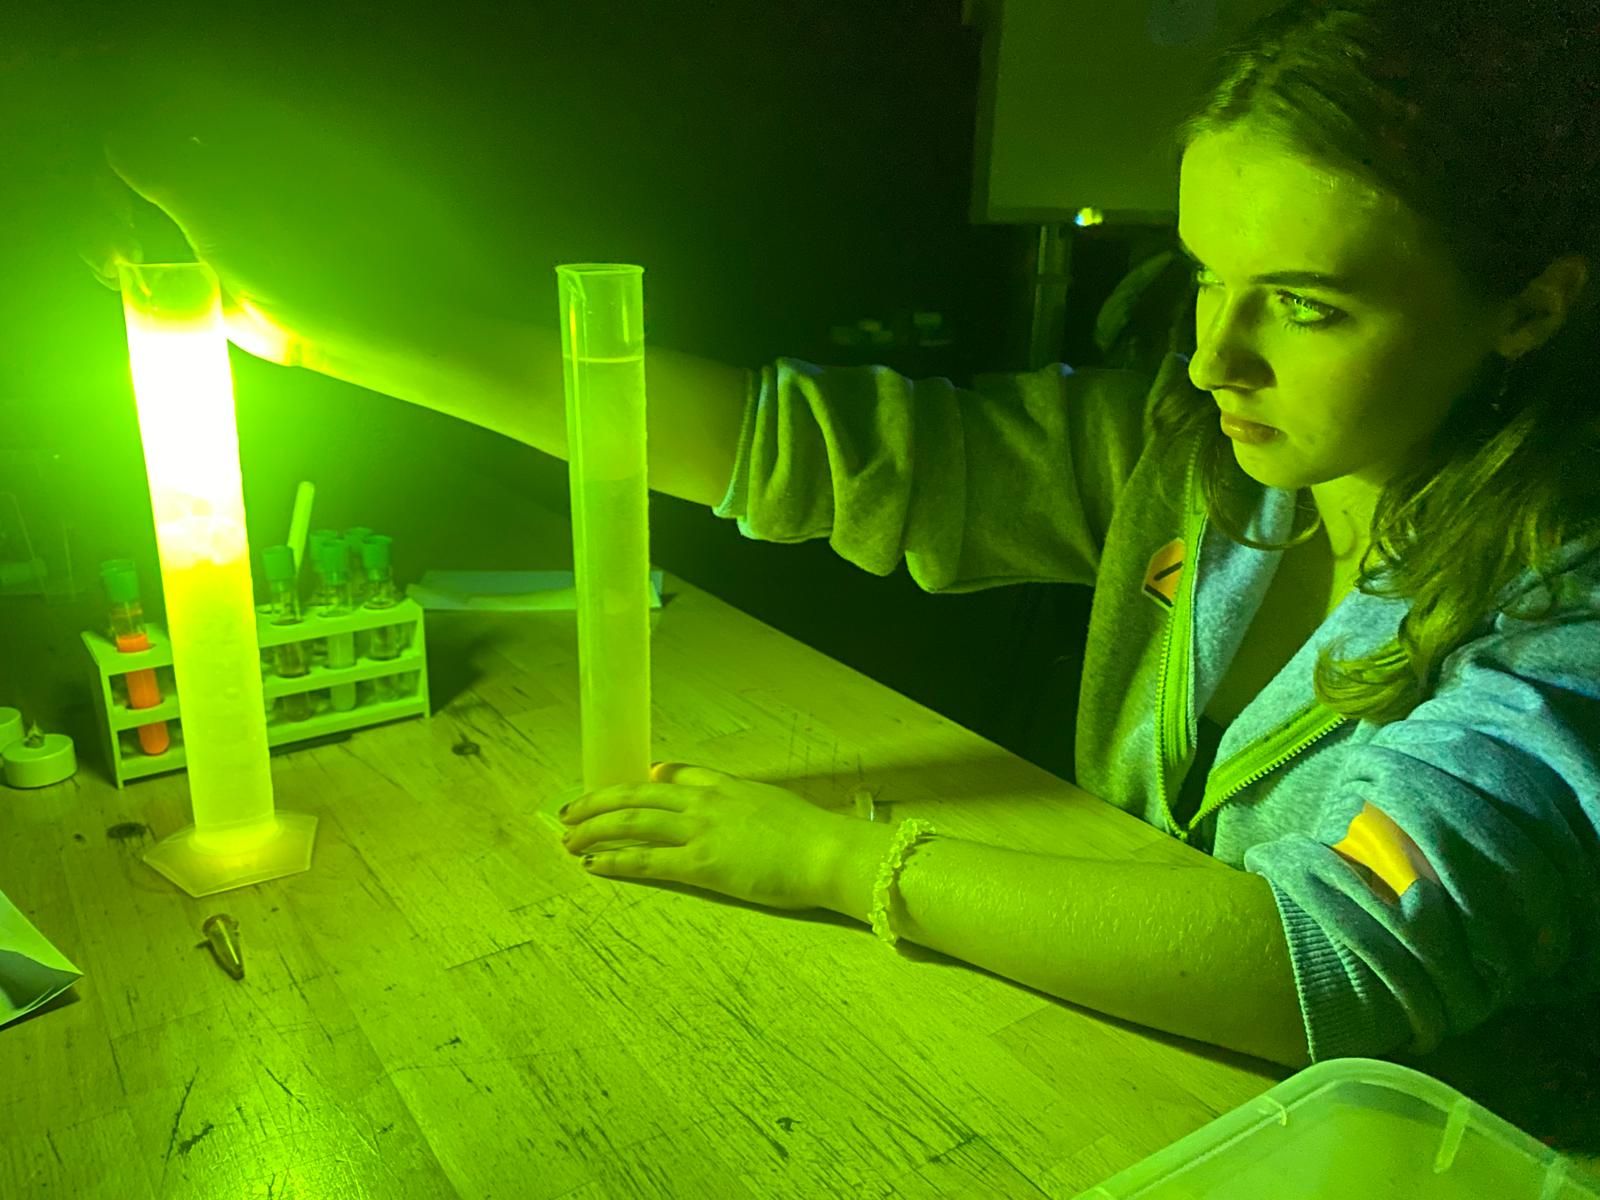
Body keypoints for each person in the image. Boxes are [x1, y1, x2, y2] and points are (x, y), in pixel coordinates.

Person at [80, 0, 1600, 1082]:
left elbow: (1334, 960)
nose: (1213, 358)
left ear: (1530, 305)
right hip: (1154, 1077)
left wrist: (833, 858)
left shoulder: (1567, 610)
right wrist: (310, 326)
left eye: (1310, 307)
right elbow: (832, 454)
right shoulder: (1209, 472)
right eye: (1203, 275)